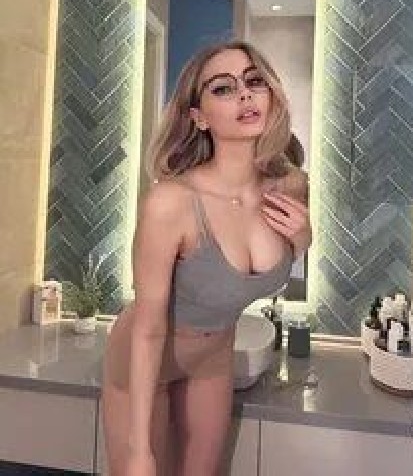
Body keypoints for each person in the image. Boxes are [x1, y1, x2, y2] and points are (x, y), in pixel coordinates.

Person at [101, 40, 312, 476]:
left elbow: (284, 259)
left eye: (254, 81)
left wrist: (304, 238)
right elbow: (148, 328)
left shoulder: (289, 186)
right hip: (148, 355)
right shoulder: (171, 203)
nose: (245, 94)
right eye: (223, 88)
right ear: (198, 117)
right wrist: (139, 449)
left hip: (214, 357)